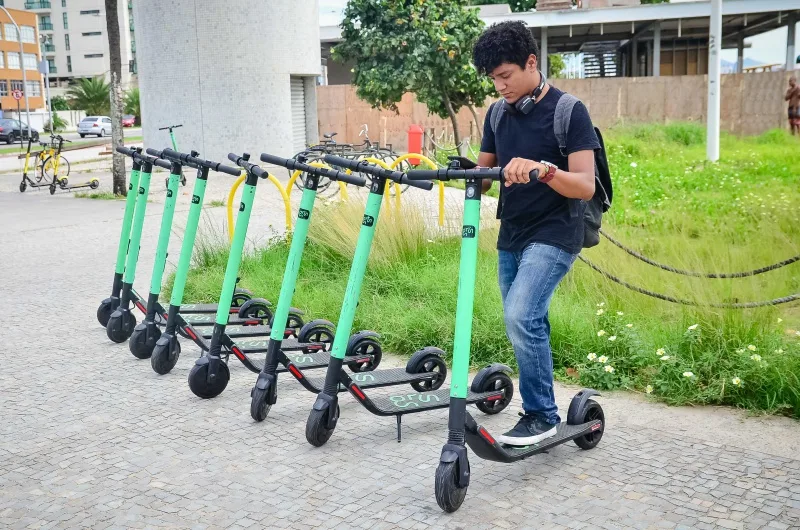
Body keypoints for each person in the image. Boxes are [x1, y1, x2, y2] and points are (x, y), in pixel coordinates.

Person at [472, 21, 599, 446]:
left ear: (531, 63)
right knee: (525, 321)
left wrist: (543, 170)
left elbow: (584, 184)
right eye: (493, 79)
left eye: (505, 76)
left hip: (557, 231)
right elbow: (485, 176)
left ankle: (541, 415)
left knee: (521, 315)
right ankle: (542, 405)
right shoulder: (497, 113)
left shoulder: (568, 111)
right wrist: (464, 172)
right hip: (512, 233)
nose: (500, 86)